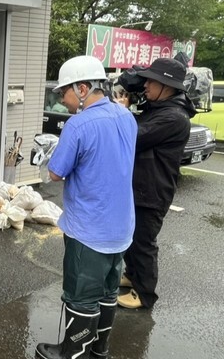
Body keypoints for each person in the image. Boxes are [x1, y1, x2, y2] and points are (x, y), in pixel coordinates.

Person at [34, 55, 137, 359]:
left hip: (89, 229)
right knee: (108, 291)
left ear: (82, 88)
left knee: (80, 295)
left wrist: (46, 153)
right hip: (121, 228)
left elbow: (55, 172)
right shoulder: (126, 117)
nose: (62, 100)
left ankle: (72, 352)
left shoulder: (78, 125)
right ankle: (99, 349)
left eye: (63, 92)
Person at [116, 58, 194, 309]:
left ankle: (145, 294)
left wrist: (123, 111)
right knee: (131, 237)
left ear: (167, 86)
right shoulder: (159, 107)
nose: (146, 85)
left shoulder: (173, 117)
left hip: (152, 190)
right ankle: (132, 276)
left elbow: (134, 137)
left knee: (143, 242)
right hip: (141, 186)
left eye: (151, 81)